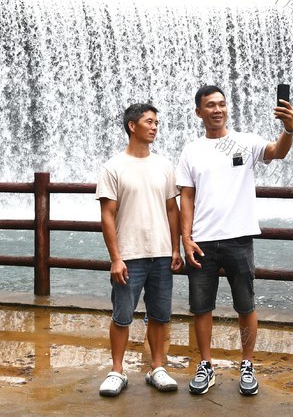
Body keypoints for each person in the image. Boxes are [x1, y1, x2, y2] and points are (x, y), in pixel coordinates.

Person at [177, 85, 293, 397]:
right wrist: (185, 238)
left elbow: (277, 152)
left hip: (239, 238)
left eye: (221, 104)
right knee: (201, 308)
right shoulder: (191, 150)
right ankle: (206, 364)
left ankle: (247, 363)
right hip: (202, 240)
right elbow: (186, 198)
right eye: (210, 105)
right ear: (198, 112)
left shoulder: (245, 141)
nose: (217, 110)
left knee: (246, 305)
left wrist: (288, 128)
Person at [96, 103, 183, 397]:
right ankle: (117, 370)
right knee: (122, 315)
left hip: (160, 252)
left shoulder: (164, 166)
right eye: (149, 121)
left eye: (157, 122)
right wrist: (115, 258)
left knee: (160, 315)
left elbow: (173, 209)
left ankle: (157, 368)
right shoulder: (113, 166)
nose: (155, 126)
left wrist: (176, 249)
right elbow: (107, 214)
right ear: (132, 126)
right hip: (129, 255)